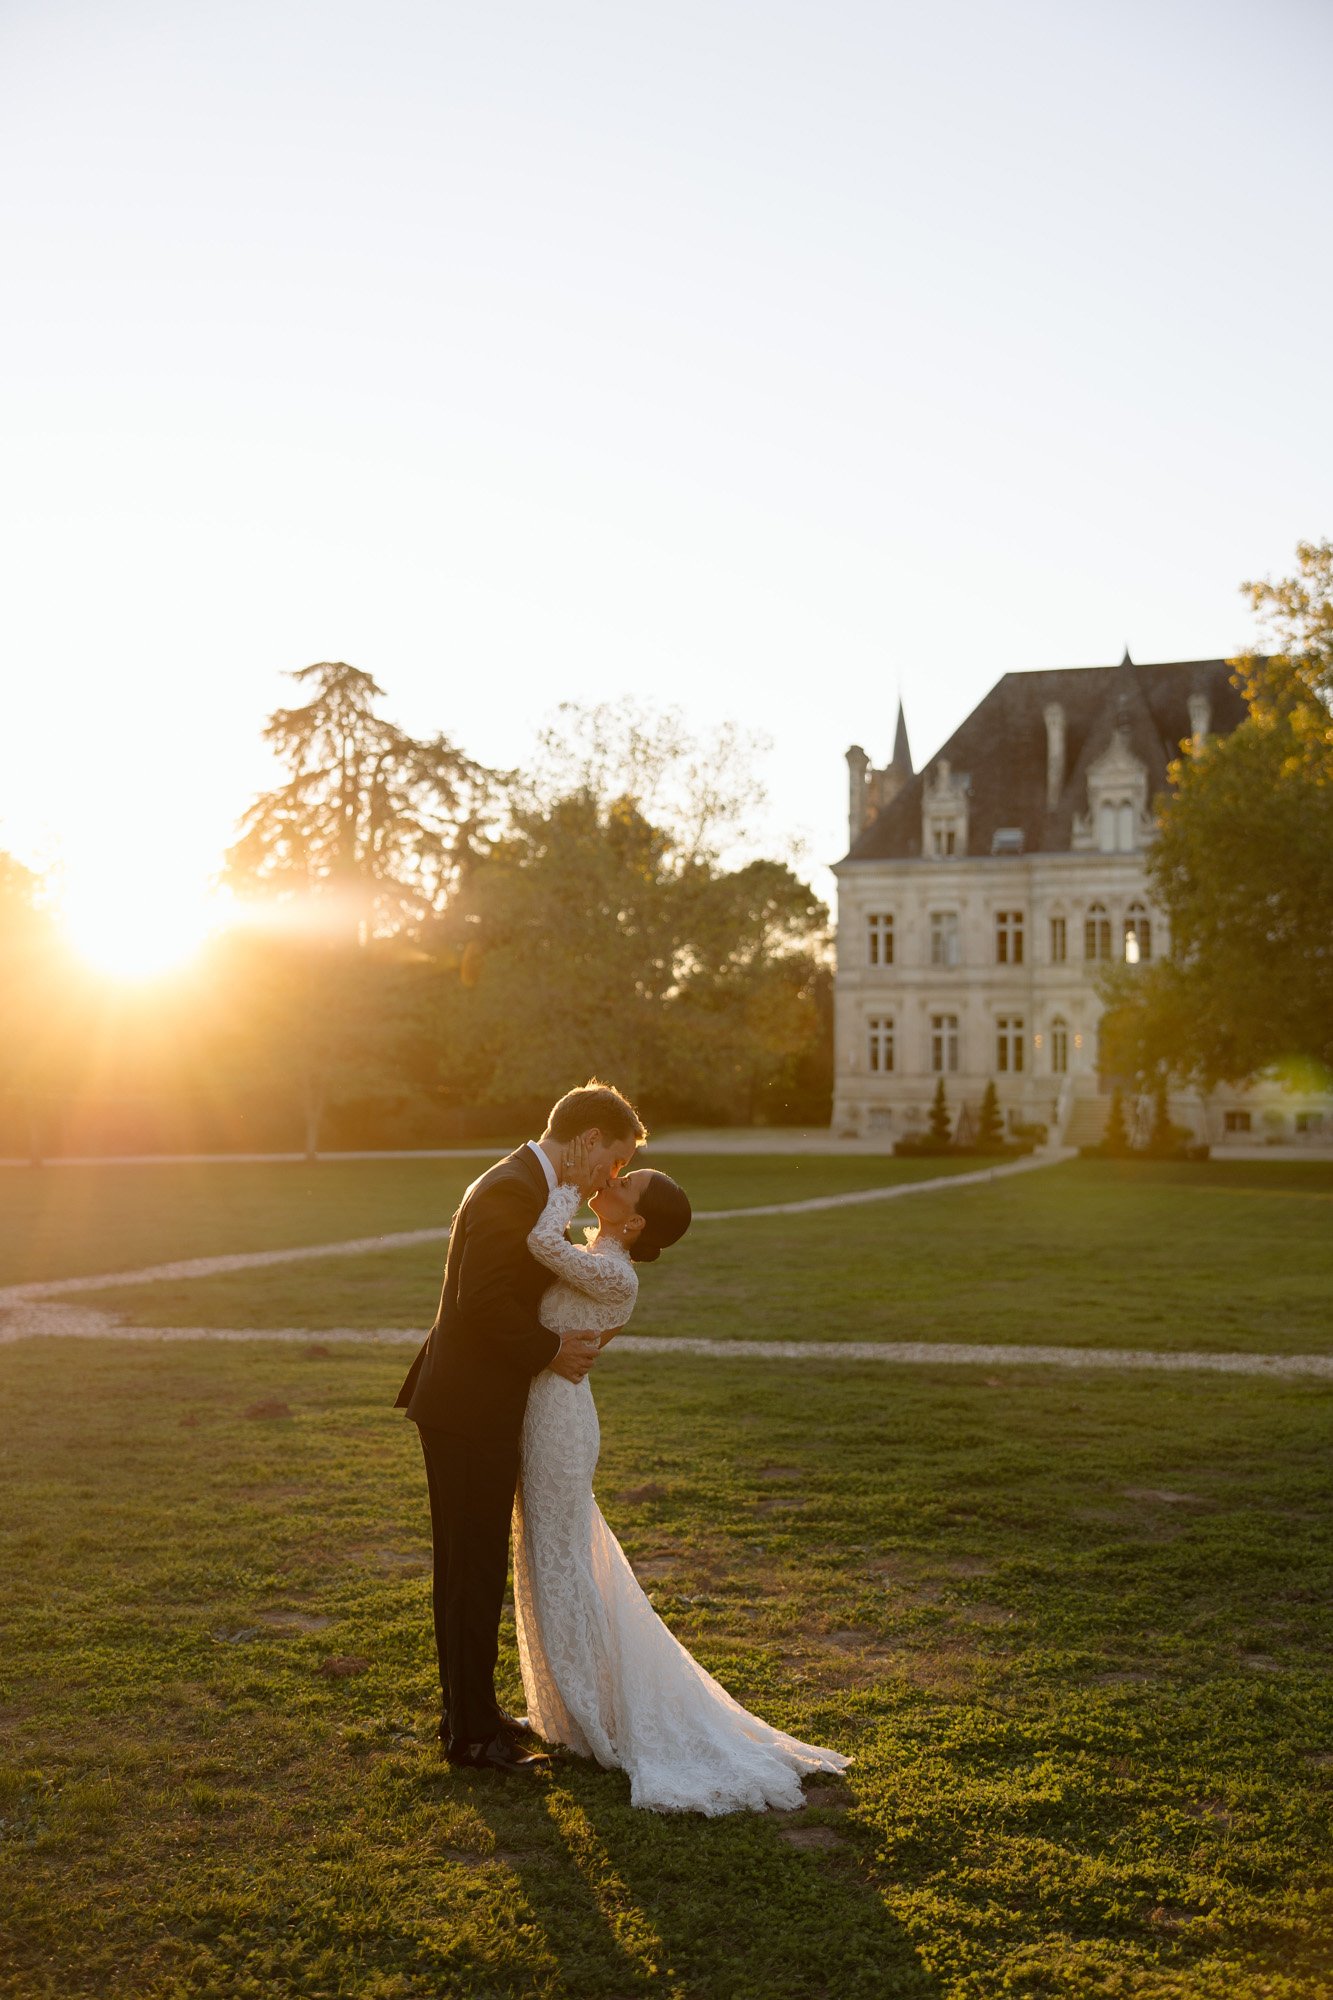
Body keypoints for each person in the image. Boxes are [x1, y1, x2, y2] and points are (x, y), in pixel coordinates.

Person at [513, 1137, 851, 1814]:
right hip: (544, 1409)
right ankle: (570, 1707)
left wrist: (563, 1181)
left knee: (559, 1557)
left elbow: (540, 1242)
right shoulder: (598, 1256)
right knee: (548, 1553)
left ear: (632, 1224)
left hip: (557, 1420)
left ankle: (591, 1712)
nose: (612, 1177)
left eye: (625, 1181)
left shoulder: (617, 1276)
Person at [395, 1081, 644, 1773]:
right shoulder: (511, 1189)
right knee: (470, 1570)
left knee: (474, 1566)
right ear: (588, 1140)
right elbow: (481, 1303)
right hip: (468, 1406)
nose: (611, 1176)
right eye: (613, 1159)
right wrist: (552, 1352)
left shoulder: (526, 1184)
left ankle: (472, 1709)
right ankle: (470, 1735)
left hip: (477, 1403)